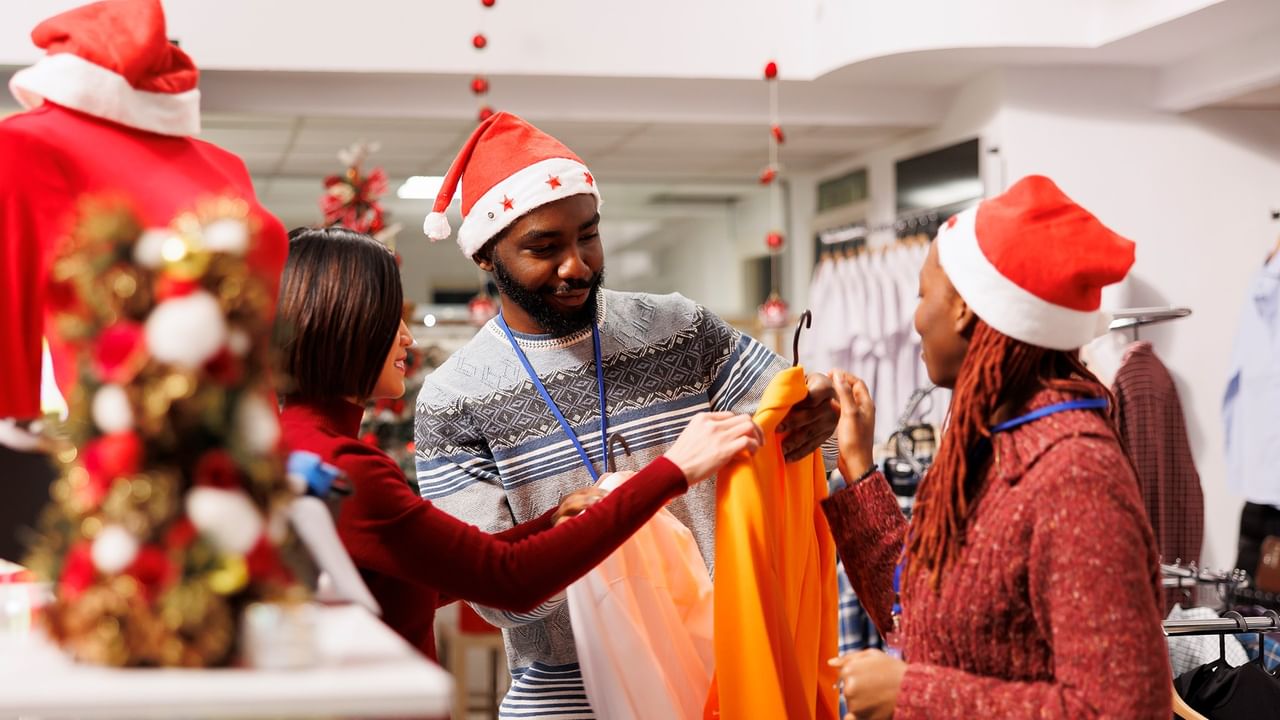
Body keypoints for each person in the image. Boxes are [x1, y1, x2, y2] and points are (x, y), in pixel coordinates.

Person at [414, 111, 839, 717]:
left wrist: (815, 414)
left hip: (719, 677)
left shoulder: (679, 329)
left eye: (588, 235)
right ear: (486, 255)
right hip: (568, 696)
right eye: (544, 247)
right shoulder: (453, 399)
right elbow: (498, 598)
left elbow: (800, 453)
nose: (577, 266)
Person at [275, 227, 762, 660]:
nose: (408, 339)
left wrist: (550, 524)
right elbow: (509, 581)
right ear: (344, 322)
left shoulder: (298, 447)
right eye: (390, 317)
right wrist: (673, 471)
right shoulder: (344, 465)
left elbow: (440, 574)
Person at [823, 176, 1171, 719]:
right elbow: (919, 612)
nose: (915, 318)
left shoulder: (1075, 473)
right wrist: (860, 469)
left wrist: (913, 695)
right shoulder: (991, 442)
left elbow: (1124, 708)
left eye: (922, 295)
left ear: (964, 308)